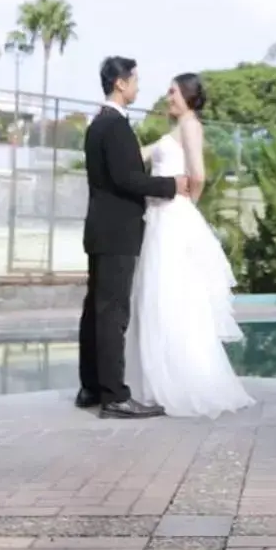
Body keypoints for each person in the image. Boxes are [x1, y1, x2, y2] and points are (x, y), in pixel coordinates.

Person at [126, 72, 255, 419]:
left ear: (186, 95)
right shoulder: (174, 130)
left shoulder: (190, 126)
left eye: (172, 92)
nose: (167, 97)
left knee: (170, 294)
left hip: (172, 218)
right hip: (158, 220)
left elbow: (198, 174)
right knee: (156, 295)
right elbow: (139, 155)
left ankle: (180, 381)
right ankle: (157, 380)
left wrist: (187, 207)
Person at [79, 57, 188, 420]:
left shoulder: (97, 124)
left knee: (95, 309)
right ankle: (115, 395)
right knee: (113, 313)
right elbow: (127, 179)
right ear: (121, 84)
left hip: (99, 230)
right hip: (117, 232)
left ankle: (91, 386)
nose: (139, 86)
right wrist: (172, 185)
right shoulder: (115, 127)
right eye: (135, 80)